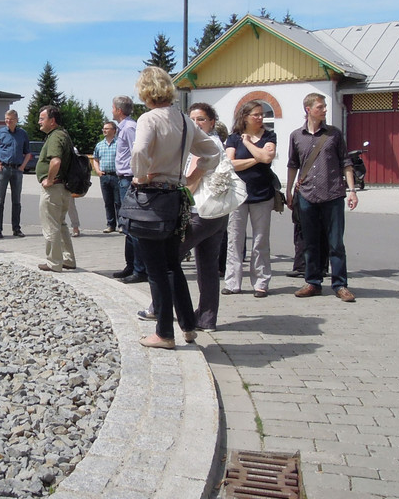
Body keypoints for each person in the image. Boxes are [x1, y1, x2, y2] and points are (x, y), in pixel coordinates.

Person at [132, 68, 221, 350]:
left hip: (151, 198)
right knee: (172, 264)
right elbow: (213, 151)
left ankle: (164, 333)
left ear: (145, 91)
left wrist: (140, 176)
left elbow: (139, 151)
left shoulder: (149, 118)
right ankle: (188, 325)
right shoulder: (184, 120)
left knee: (156, 269)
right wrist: (194, 174)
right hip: (175, 196)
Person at [285, 93, 359, 301]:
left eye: (325, 106)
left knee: (336, 243)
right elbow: (292, 165)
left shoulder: (334, 134)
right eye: (320, 107)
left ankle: (340, 285)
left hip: (332, 194)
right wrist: (289, 191)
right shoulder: (296, 136)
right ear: (308, 109)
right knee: (310, 243)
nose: (325, 109)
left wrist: (352, 191)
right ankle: (313, 282)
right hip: (307, 195)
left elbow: (346, 163)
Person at [223, 100, 277, 298]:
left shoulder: (269, 135)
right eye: (256, 114)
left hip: (262, 194)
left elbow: (268, 158)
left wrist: (247, 144)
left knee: (260, 240)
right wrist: (257, 158)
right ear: (245, 117)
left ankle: (261, 282)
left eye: (262, 114)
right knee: (234, 240)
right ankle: (232, 282)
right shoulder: (233, 137)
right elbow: (230, 163)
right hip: (237, 194)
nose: (260, 117)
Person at [35, 105, 76, 273]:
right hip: (63, 187)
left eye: (42, 118)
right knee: (60, 224)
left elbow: (55, 161)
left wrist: (49, 180)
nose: (39, 122)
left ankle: (54, 262)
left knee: (51, 225)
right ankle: (68, 259)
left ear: (52, 121)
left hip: (54, 188)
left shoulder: (55, 136)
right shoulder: (63, 134)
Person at [111, 96, 147, 284]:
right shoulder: (123, 127)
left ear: (118, 110)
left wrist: (136, 176)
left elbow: (137, 152)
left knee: (132, 225)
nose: (111, 110)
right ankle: (130, 265)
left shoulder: (130, 127)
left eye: (113, 107)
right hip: (123, 179)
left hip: (129, 179)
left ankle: (140, 269)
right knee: (126, 225)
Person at [0, 109, 32, 239]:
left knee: (16, 201)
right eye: (6, 119)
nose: (8, 122)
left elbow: (28, 153)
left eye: (11, 119)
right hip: (3, 169)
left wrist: (23, 166)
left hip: (17, 170)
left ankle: (16, 228)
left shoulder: (22, 134)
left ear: (16, 120)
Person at [92, 121, 120, 233]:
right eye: (103, 128)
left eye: (107, 128)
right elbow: (95, 159)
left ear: (114, 131)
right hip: (104, 176)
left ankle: (121, 225)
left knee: (118, 202)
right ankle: (110, 225)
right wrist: (98, 171)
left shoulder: (119, 143)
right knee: (108, 202)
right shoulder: (99, 145)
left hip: (116, 176)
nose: (104, 130)